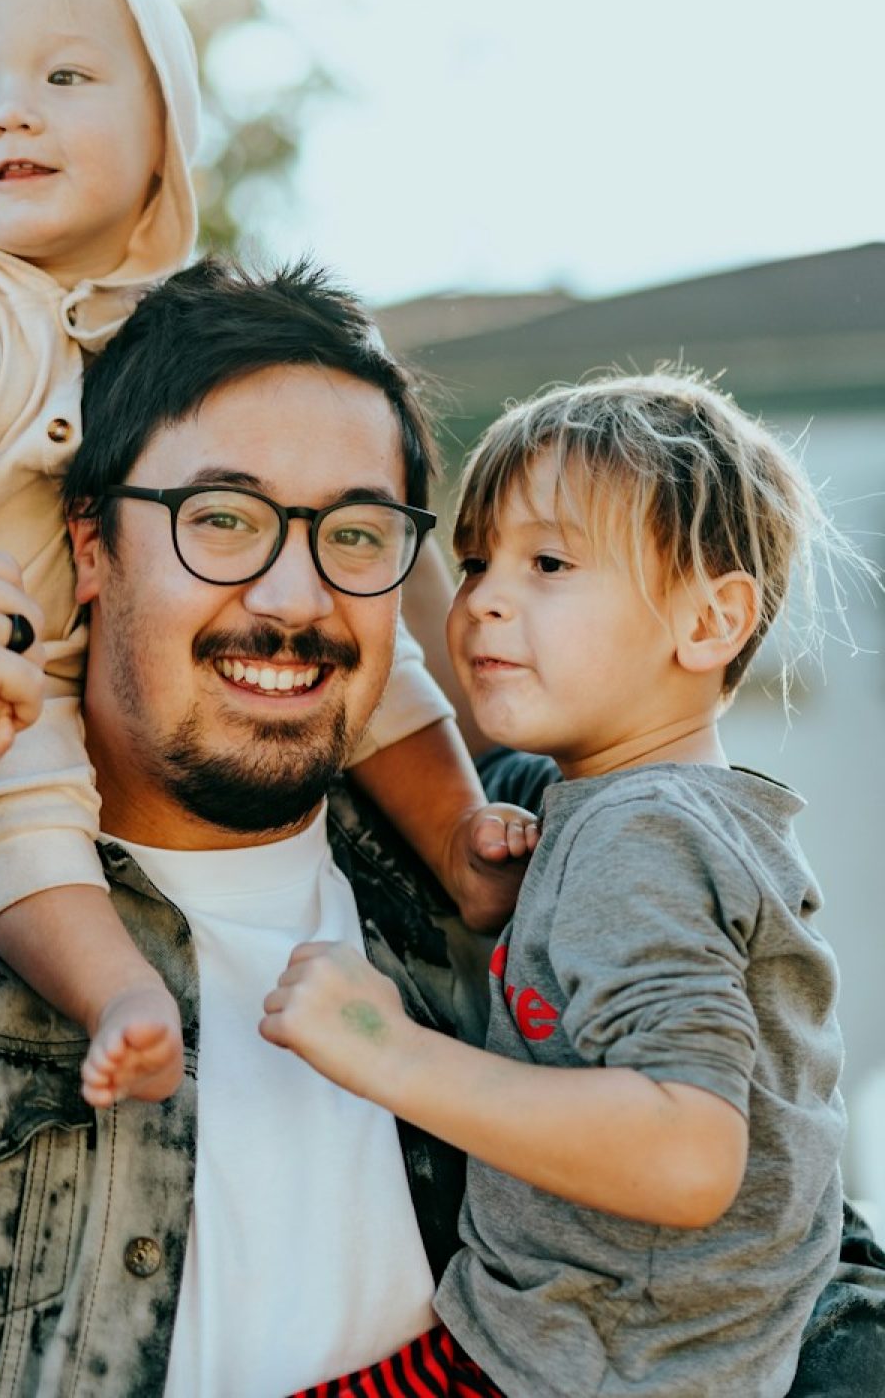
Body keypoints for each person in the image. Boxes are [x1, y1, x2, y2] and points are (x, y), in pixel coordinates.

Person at [0, 276, 879, 1395]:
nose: (293, 598)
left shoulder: (523, 855)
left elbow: (792, 1248)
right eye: (223, 518)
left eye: (355, 535)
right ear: (90, 545)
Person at [0, 0, 535, 1110]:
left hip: (73, 654)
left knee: (375, 647)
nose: (10, 112)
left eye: (64, 78)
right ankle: (117, 991)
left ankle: (462, 842)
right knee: (14, 811)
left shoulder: (182, 329)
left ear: (166, 131)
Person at [263, 370, 870, 1396]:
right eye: (473, 559)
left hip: (584, 1360)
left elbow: (688, 1152)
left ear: (712, 622)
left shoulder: (638, 836)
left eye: (549, 561)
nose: (485, 596)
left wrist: (386, 1050)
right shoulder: (656, 814)